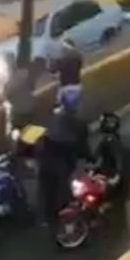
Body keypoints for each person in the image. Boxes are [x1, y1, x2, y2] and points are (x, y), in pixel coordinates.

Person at [37, 86, 91, 227]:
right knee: (65, 193)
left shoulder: (53, 117)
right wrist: (91, 158)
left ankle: (48, 219)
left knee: (48, 192)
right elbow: (82, 147)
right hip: (63, 165)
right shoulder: (79, 124)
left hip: (45, 162)